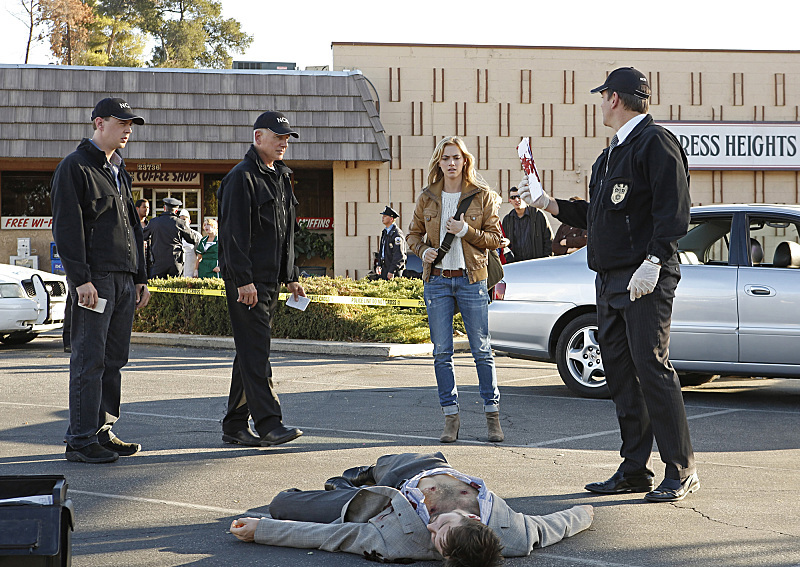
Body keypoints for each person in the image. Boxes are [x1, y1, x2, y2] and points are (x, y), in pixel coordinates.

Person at [519, 67, 697, 502]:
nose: (600, 103)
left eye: (602, 97)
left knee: (652, 369)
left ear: (614, 98)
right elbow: (596, 214)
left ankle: (681, 468)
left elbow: (675, 210)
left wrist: (655, 260)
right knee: (619, 374)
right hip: (611, 280)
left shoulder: (655, 143)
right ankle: (635, 468)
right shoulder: (611, 154)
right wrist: (548, 203)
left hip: (644, 279)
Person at [230, 452, 593, 565]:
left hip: (373, 505)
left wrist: (261, 530)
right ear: (472, 519)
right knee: (386, 461)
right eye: (443, 527)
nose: (432, 529)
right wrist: (589, 513)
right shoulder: (516, 533)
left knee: (281, 503)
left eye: (434, 540)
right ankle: (361, 474)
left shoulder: (398, 545)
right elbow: (555, 526)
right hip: (424, 466)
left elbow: (333, 537)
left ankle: (346, 487)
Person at [50, 96, 151, 463]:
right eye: (121, 122)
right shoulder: (74, 167)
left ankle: (101, 430)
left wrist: (141, 276)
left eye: (130, 124)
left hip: (124, 279)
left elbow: (132, 228)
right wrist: (80, 279)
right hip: (95, 280)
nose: (127, 129)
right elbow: (67, 228)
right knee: (88, 360)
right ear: (98, 123)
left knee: (113, 360)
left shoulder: (118, 171)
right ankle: (79, 439)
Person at [406, 136, 504, 444]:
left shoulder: (482, 196)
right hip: (437, 280)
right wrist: (423, 251)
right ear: (439, 162)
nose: (451, 163)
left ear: (465, 162)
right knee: (442, 353)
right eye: (446, 158)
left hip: (471, 278)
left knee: (482, 351)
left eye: (456, 158)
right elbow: (412, 235)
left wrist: (465, 231)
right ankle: (451, 417)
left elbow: (494, 239)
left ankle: (492, 416)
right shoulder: (427, 197)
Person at [217, 110, 306, 447]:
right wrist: (243, 280)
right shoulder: (242, 178)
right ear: (258, 138)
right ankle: (270, 423)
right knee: (256, 352)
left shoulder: (280, 177)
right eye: (278, 136)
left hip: (269, 280)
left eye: (287, 137)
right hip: (248, 282)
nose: (284, 142)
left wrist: (292, 275)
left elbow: (285, 234)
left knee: (249, 352)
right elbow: (233, 236)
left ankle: (234, 425)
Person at [142, 197, 200, 279]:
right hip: (175, 262)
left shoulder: (154, 222)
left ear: (164, 208)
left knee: (156, 288)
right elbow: (193, 238)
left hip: (158, 262)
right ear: (176, 211)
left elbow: (143, 236)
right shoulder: (180, 223)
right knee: (175, 289)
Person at [500, 186, 553, 262]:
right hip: (516, 264)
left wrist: (546, 260)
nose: (517, 200)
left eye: (519, 196)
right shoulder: (507, 220)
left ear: (525, 198)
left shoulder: (538, 215)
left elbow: (549, 240)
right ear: (510, 201)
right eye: (513, 197)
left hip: (536, 263)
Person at [376, 205, 406, 279]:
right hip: (385, 269)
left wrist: (392, 271)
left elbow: (399, 255)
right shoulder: (385, 232)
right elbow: (382, 251)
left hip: (393, 271)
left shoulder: (397, 234)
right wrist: (379, 265)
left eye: (385, 216)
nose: (382, 218)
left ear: (391, 219)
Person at [178, 209, 201, 277]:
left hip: (191, 270)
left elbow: (200, 256)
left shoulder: (196, 235)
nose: (182, 222)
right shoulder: (175, 235)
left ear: (189, 221)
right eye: (181, 220)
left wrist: (196, 270)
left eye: (184, 219)